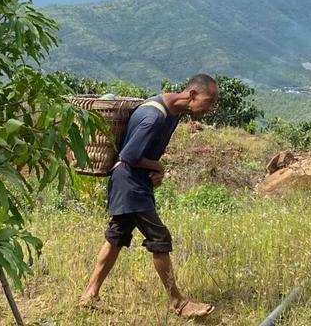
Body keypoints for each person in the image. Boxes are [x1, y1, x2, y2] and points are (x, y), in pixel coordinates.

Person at [80, 74, 219, 319]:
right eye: (209, 101)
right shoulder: (153, 117)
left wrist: (154, 170)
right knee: (159, 238)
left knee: (117, 236)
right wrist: (159, 168)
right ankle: (177, 302)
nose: (210, 108)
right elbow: (129, 156)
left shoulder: (173, 113)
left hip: (135, 182)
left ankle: (89, 295)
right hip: (129, 184)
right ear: (193, 94)